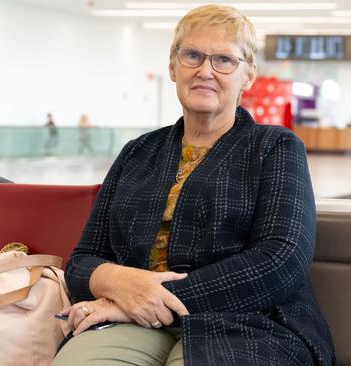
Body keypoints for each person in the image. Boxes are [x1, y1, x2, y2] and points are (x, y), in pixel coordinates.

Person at [52, 5, 335, 366]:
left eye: (224, 60)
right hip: (130, 320)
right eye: (193, 55)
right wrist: (118, 282)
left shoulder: (275, 148)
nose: (205, 71)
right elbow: (82, 261)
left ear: (248, 76)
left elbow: (281, 261)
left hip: (248, 323)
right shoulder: (138, 152)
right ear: (173, 67)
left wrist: (151, 297)